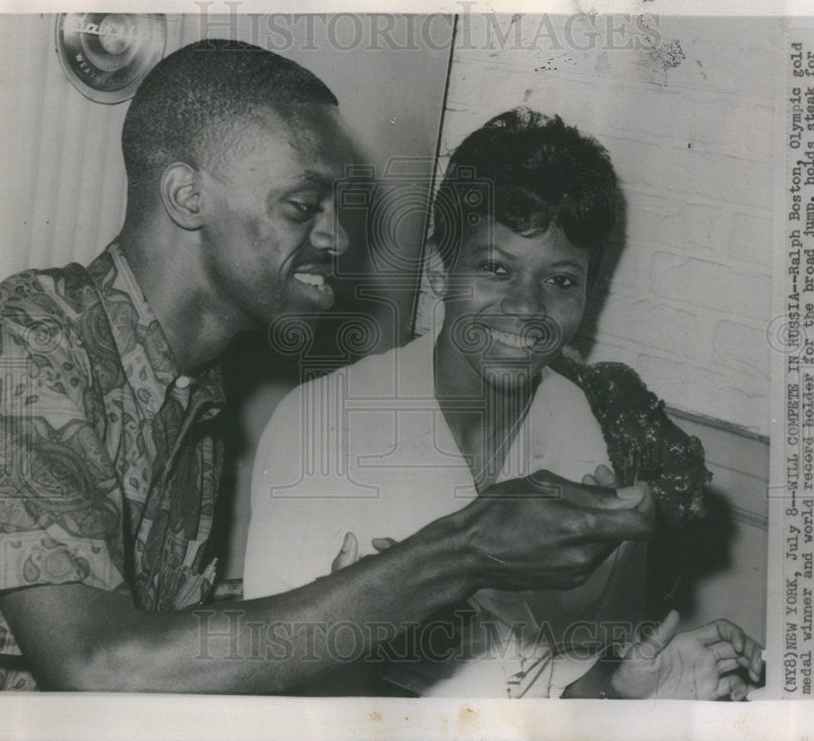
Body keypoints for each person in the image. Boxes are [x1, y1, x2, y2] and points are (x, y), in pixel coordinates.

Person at [0, 41, 659, 692]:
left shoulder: (191, 391)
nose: (339, 236)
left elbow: (177, 644)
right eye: (302, 205)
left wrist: (363, 602)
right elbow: (100, 667)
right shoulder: (20, 348)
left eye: (336, 206)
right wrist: (463, 549)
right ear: (188, 197)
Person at [243, 108, 764, 698]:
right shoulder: (318, 428)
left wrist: (630, 694)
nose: (526, 308)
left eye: (561, 280)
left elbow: (566, 679)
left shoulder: (584, 428)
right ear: (441, 270)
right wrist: (372, 627)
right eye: (495, 268)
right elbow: (272, 694)